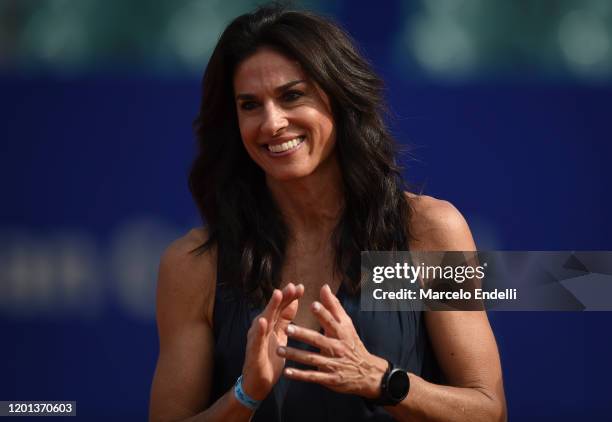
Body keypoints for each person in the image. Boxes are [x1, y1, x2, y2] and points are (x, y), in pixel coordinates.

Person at [149, 4, 506, 421]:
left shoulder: (425, 233)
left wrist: (384, 382)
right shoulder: (196, 265)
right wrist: (245, 395)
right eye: (250, 105)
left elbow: (488, 411)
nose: (272, 122)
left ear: (339, 97)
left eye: (291, 95)